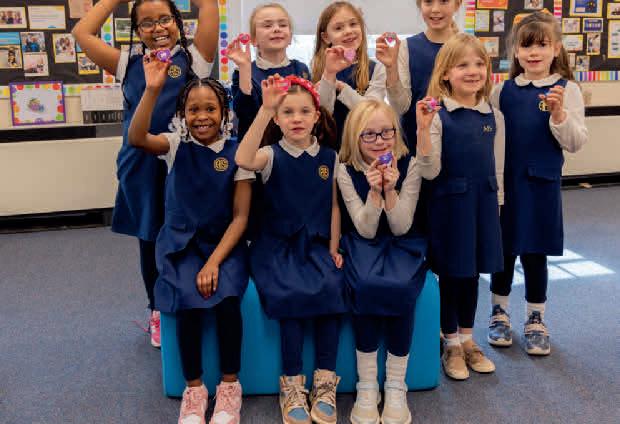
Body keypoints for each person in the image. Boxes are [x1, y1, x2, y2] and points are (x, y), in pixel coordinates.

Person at [72, 0, 218, 347]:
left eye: (165, 19)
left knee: (193, 232)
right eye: (147, 23)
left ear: (177, 21)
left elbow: (208, 5)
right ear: (137, 31)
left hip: (185, 164)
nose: (158, 28)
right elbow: (82, 32)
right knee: (150, 238)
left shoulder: (195, 58)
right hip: (140, 165)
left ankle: (196, 297)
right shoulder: (128, 63)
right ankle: (157, 309)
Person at [128, 53, 252, 424]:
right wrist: (152, 89)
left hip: (223, 246)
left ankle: (229, 387)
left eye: (210, 108)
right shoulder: (174, 146)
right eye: (193, 109)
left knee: (227, 301)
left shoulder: (238, 153)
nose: (202, 116)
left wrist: (214, 262)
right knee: (186, 302)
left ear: (224, 113)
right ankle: (194, 389)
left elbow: (241, 217)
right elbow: (136, 137)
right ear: (182, 115)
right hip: (180, 246)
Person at [235, 75, 345, 424]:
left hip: (316, 244)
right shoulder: (270, 155)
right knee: (291, 295)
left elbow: (334, 207)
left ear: (316, 116)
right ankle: (292, 384)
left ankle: (325, 380)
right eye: (287, 112)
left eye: (304, 111)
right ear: (278, 119)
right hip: (277, 247)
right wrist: (264, 109)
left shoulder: (329, 157)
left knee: (333, 288)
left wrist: (334, 247)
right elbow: (242, 157)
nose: (296, 118)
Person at [488, 12, 587, 356]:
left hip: (541, 186)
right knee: (503, 251)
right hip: (506, 185)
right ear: (515, 51)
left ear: (556, 48)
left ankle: (535, 317)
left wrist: (559, 115)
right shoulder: (502, 91)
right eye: (526, 46)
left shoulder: (567, 90)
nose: (533, 52)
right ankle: (499, 312)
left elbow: (575, 142)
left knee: (536, 252)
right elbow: (490, 137)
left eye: (542, 45)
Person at [417, 33, 505, 381]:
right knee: (453, 273)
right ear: (445, 74)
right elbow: (429, 170)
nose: (472, 71)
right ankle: (451, 342)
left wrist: (498, 205)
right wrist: (424, 131)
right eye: (462, 65)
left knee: (473, 273)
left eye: (479, 63)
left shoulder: (492, 114)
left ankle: (468, 339)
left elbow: (497, 166)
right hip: (451, 208)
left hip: (483, 205)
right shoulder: (439, 115)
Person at [338, 99, 427, 424]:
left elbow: (401, 226)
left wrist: (390, 190)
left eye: (386, 133)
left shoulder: (411, 165)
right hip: (364, 239)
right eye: (369, 135)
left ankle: (395, 384)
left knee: (401, 285)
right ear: (355, 137)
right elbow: (365, 228)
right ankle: (366, 384)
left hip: (403, 241)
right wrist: (374, 192)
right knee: (364, 284)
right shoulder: (344, 169)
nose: (379, 141)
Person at [228, 2, 310, 141]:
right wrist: (245, 68)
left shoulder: (301, 69)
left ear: (290, 37)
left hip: (294, 146)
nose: (276, 29)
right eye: (267, 26)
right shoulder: (243, 72)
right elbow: (245, 114)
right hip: (257, 148)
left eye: (282, 25)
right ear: (254, 39)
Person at [312, 1, 386, 148]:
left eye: (353, 24)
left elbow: (370, 112)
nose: (348, 31)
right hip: (330, 149)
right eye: (338, 28)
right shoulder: (318, 69)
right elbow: (323, 113)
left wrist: (341, 87)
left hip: (365, 148)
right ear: (326, 37)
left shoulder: (377, 69)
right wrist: (329, 75)